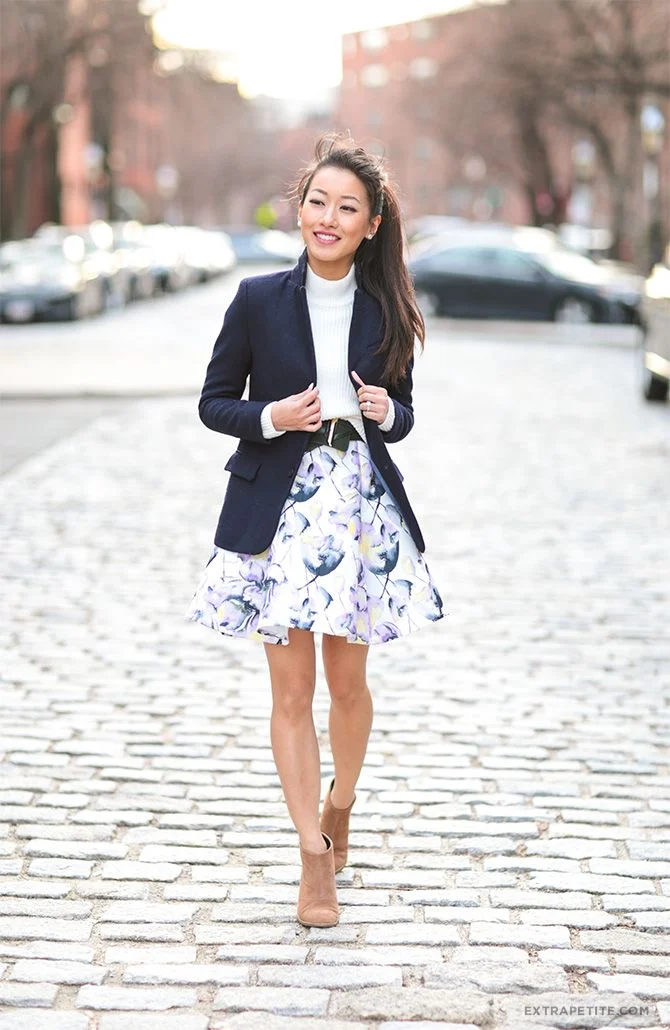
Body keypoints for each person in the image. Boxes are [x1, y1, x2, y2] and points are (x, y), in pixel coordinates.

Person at [185, 132, 445, 928]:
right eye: (317, 202)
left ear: (372, 225)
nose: (327, 217)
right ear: (299, 210)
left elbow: (403, 414)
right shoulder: (257, 299)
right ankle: (312, 855)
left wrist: (386, 411)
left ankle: (343, 800)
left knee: (349, 686)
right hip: (278, 509)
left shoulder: (387, 305)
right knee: (290, 692)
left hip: (357, 507)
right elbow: (213, 400)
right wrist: (270, 414)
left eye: (347, 208)